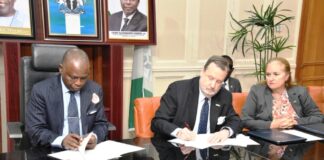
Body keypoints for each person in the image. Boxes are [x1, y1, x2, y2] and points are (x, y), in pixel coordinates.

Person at [151, 55, 241, 159]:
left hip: (211, 151)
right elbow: (157, 122)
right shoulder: (178, 89)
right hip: (178, 152)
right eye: (210, 78)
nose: (213, 85)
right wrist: (178, 132)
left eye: (218, 82)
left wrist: (225, 132)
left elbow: (235, 120)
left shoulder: (225, 95)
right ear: (202, 72)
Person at [25, 48, 109, 150]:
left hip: (85, 152)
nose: (78, 83)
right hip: (53, 150)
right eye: (73, 77)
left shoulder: (94, 89)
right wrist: (61, 140)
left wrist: (94, 137)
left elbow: (101, 124)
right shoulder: (41, 91)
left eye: (83, 78)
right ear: (61, 69)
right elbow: (35, 130)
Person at [242, 57, 323, 130]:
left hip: (297, 140)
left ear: (287, 76)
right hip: (267, 139)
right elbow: (245, 120)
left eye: (276, 74)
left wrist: (295, 122)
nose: (271, 78)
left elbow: (318, 117)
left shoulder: (300, 91)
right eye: (268, 74)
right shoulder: (257, 91)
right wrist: (272, 124)